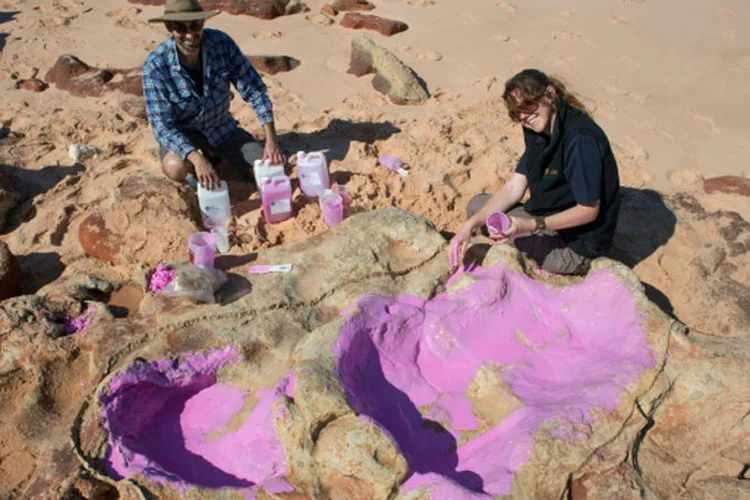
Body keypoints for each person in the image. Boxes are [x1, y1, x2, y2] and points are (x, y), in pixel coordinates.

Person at [449, 69, 621, 275]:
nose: (523, 116)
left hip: (576, 247)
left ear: (550, 94)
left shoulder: (579, 140)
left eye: (527, 106)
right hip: (546, 218)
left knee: (502, 229)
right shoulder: (538, 129)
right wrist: (469, 225)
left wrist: (528, 225)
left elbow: (588, 210)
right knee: (477, 206)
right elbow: (514, 187)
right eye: (516, 113)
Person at [143, 0, 286, 190]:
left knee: (268, 166)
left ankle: (215, 155)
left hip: (220, 127)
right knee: (175, 168)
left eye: (195, 25)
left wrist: (271, 140)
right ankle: (198, 168)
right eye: (180, 28)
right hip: (183, 134)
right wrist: (196, 157)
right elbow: (162, 126)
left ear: (203, 23)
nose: (190, 35)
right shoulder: (155, 66)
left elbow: (254, 89)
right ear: (169, 27)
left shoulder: (222, 44)